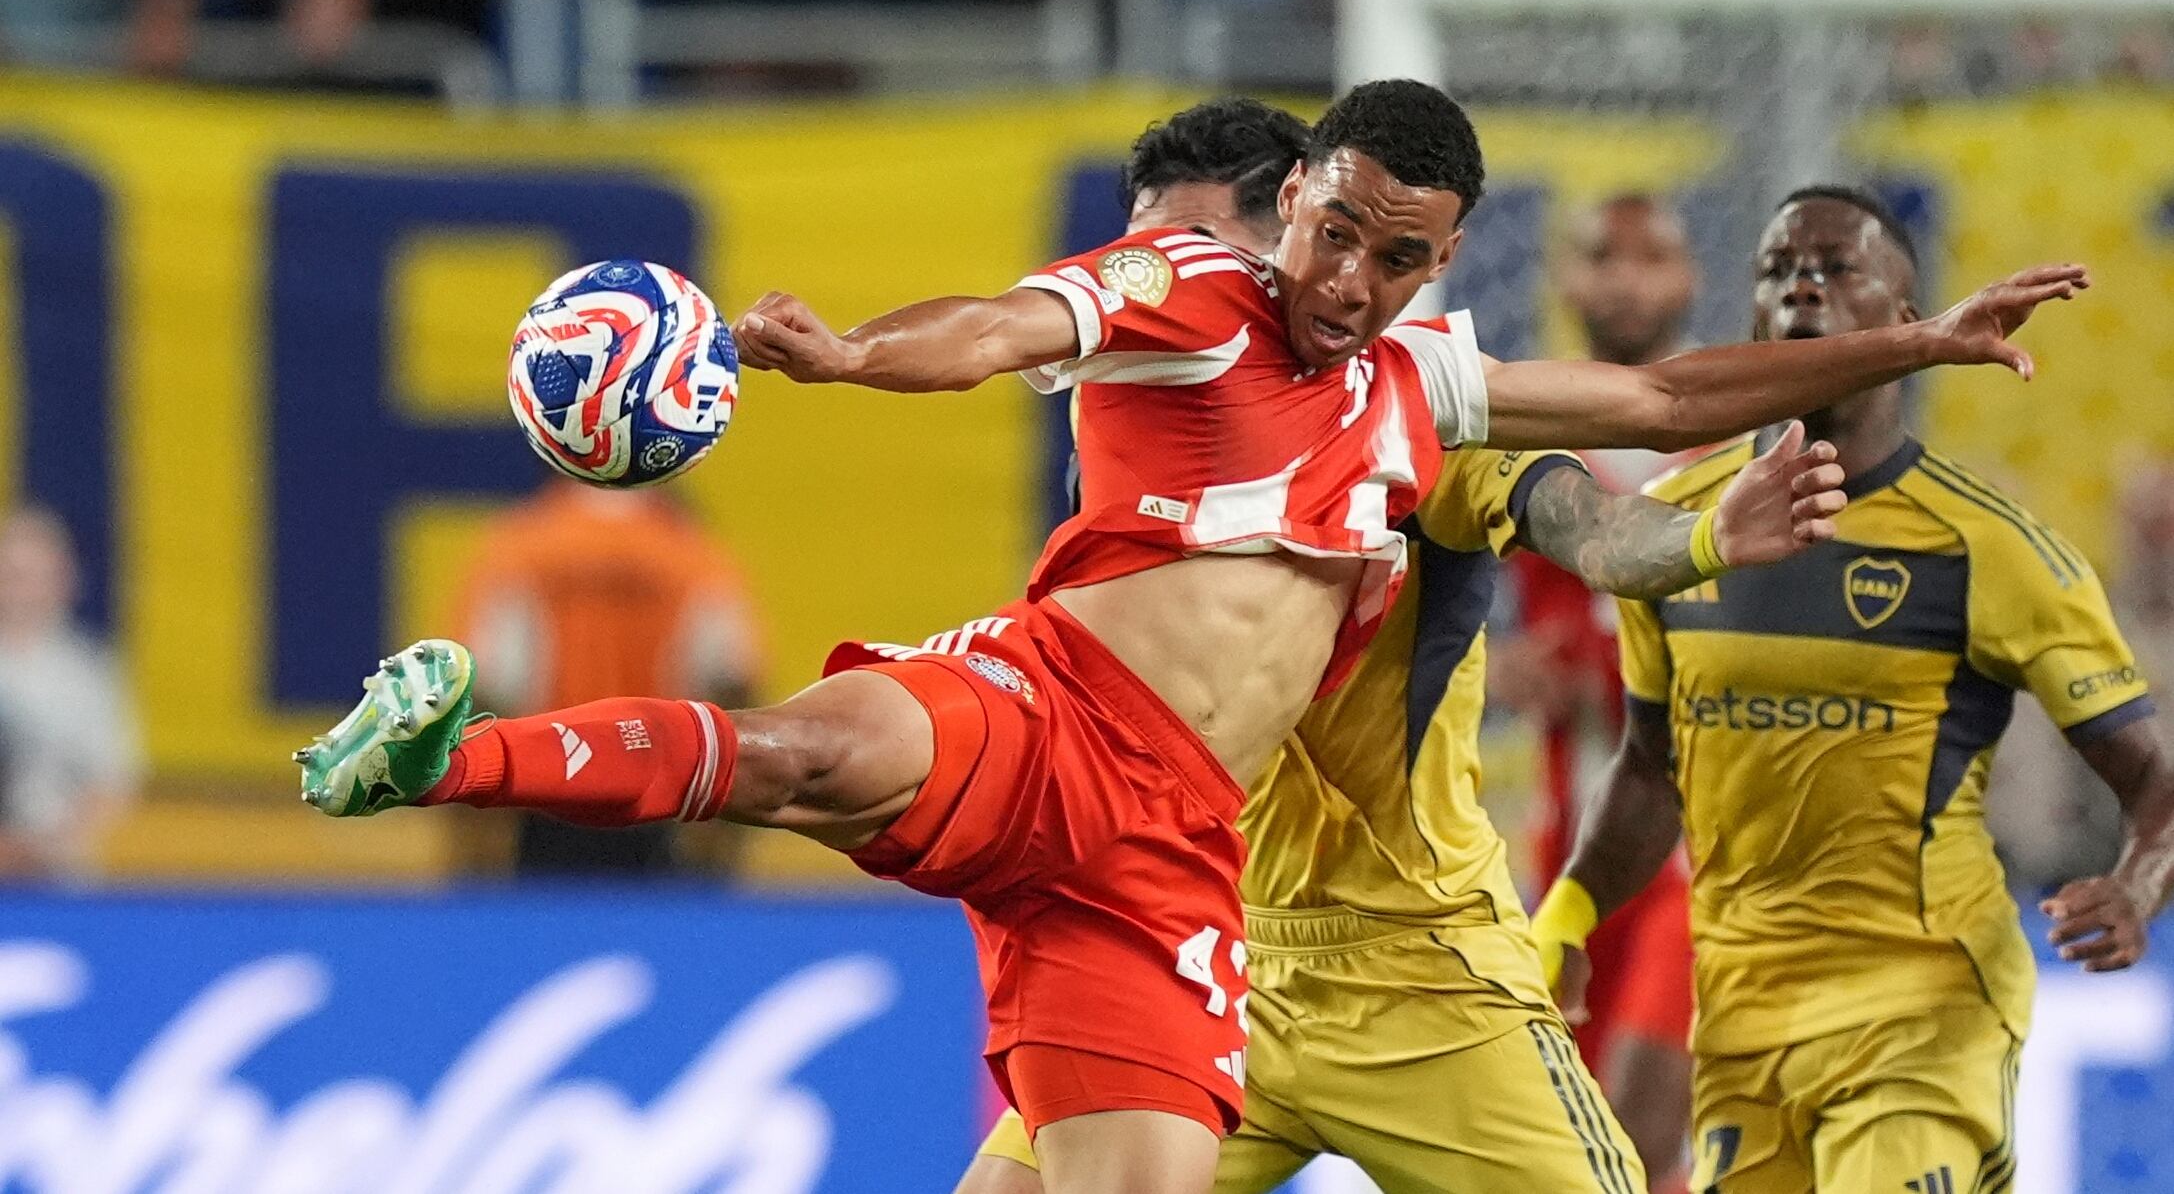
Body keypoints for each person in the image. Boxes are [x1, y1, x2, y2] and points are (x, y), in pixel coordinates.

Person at [297, 81, 2084, 1194]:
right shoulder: (1188, 291)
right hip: (1044, 707)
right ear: (1291, 200)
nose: (1346, 280)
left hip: (1181, 873)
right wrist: (849, 355)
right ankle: (441, 752)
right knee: (804, 755)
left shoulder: (1423, 395)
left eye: (1395, 258)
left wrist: (1910, 347)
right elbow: (996, 329)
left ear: (1439, 261)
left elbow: (1654, 407)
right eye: (1331, 232)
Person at [963, 104, 1745, 1194]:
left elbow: (1597, 524)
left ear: (1289, 228)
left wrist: (1701, 538)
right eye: (1140, 258)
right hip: (1200, 944)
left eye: (1194, 255)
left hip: (1418, 963)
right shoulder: (1127, 446)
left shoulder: (1428, 412)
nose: (1157, 291)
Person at [1534, 186, 2174, 1193]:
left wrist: (2136, 886)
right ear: (1752, 318)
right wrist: (1567, 913)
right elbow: (1652, 768)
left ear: (1905, 319)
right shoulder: (1671, 528)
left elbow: (2150, 779)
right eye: (1778, 270)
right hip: (1742, 1018)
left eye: (1837, 269)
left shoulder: (1989, 547)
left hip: (1919, 1013)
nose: (1803, 286)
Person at [1498, 192, 1704, 1189]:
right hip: (1572, 853)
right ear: (1567, 280)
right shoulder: (1519, 430)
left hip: (1698, 853)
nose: (1624, 280)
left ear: (1688, 278)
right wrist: (1493, 669)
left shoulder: (1741, 444)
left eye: (1648, 256)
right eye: (1601, 257)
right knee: (1577, 1153)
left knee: (1637, 1126)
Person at [450, 479, 763, 875]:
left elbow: (490, 684)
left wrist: (476, 829)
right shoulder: (687, 549)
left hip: (546, 794)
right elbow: (732, 675)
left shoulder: (524, 543)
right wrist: (722, 825)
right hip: (660, 798)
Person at [0, 506, 143, 880]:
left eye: (32, 576)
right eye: (10, 573)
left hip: (55, 875)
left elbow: (112, 780)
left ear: (64, 579)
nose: (19, 589)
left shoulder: (88, 673)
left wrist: (43, 847)